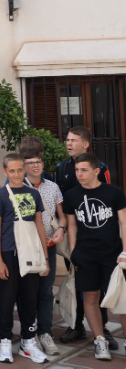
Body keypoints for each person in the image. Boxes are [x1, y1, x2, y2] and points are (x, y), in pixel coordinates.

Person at [54, 126, 114, 347]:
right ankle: (75, 325)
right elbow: (59, 204)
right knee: (76, 283)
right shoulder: (61, 169)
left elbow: (106, 200)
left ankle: (103, 328)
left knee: (101, 285)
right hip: (74, 236)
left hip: (99, 236)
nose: (68, 143)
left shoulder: (101, 168)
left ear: (86, 144)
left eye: (74, 140)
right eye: (67, 139)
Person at [64, 153, 126, 360]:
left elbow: (124, 223)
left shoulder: (114, 193)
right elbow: (72, 225)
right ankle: (100, 340)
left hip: (113, 255)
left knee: (121, 299)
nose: (79, 174)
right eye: (77, 170)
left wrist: (125, 252)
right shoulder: (72, 195)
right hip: (85, 254)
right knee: (90, 297)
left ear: (96, 171)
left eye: (84, 170)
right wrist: (73, 251)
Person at [0, 153, 49, 364]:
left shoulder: (34, 194)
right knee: (6, 298)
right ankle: (5, 340)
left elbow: (40, 226)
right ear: (5, 171)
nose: (16, 174)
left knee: (29, 298)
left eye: (19, 170)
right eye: (11, 170)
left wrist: (45, 257)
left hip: (31, 254)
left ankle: (28, 341)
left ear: (25, 170)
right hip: (8, 253)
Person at [21, 147, 66, 356]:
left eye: (38, 161)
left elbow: (62, 216)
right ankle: (28, 334)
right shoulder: (17, 187)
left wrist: (61, 230)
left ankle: (45, 332)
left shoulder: (53, 187)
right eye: (30, 162)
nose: (35, 165)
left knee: (46, 292)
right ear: (24, 166)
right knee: (28, 293)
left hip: (49, 245)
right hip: (28, 249)